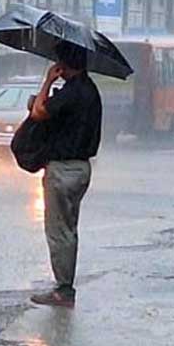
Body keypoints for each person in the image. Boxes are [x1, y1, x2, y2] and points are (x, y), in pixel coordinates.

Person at [27, 41, 102, 308]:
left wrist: (48, 81)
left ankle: (63, 289)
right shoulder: (91, 91)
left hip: (63, 169)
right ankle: (65, 284)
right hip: (82, 169)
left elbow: (39, 112)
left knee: (58, 230)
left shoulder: (71, 92)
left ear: (65, 64)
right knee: (69, 228)